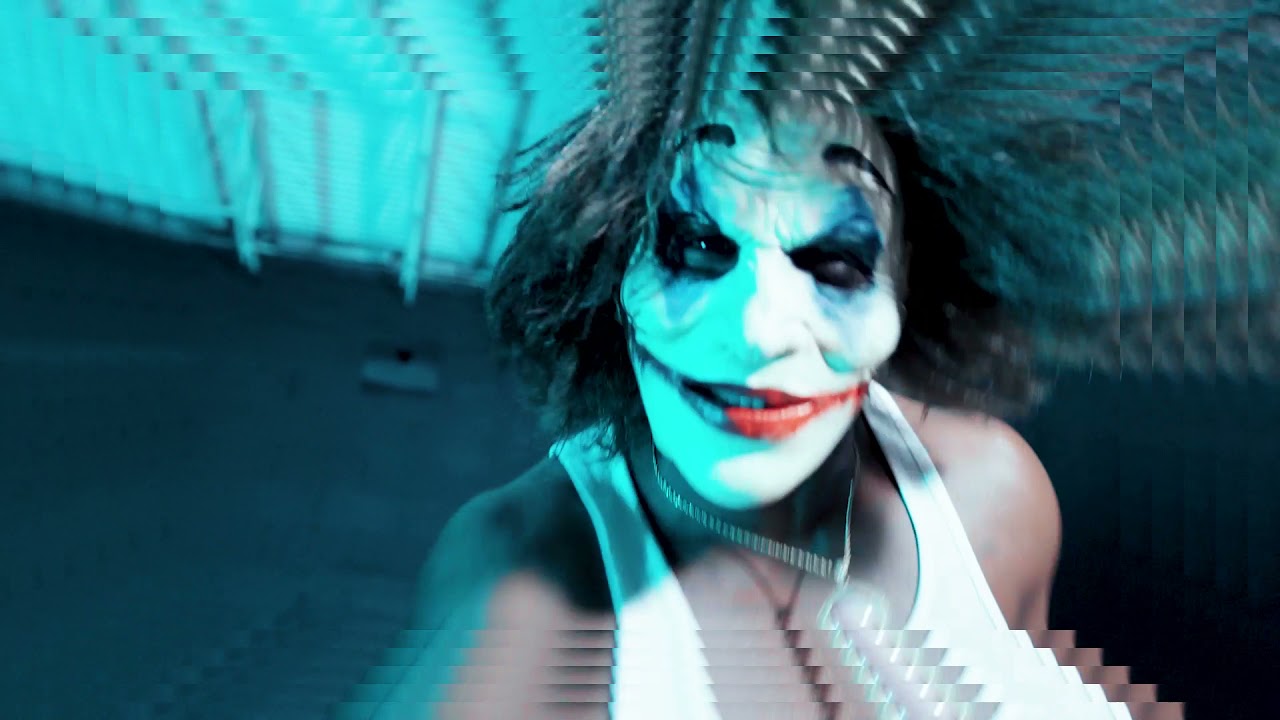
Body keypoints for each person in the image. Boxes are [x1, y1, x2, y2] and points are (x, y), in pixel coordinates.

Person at [346, 1, 1271, 718]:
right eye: (697, 246)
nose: (759, 330)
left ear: (909, 293)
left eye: (835, 262)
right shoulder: (521, 587)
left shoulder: (993, 498)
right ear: (610, 263)